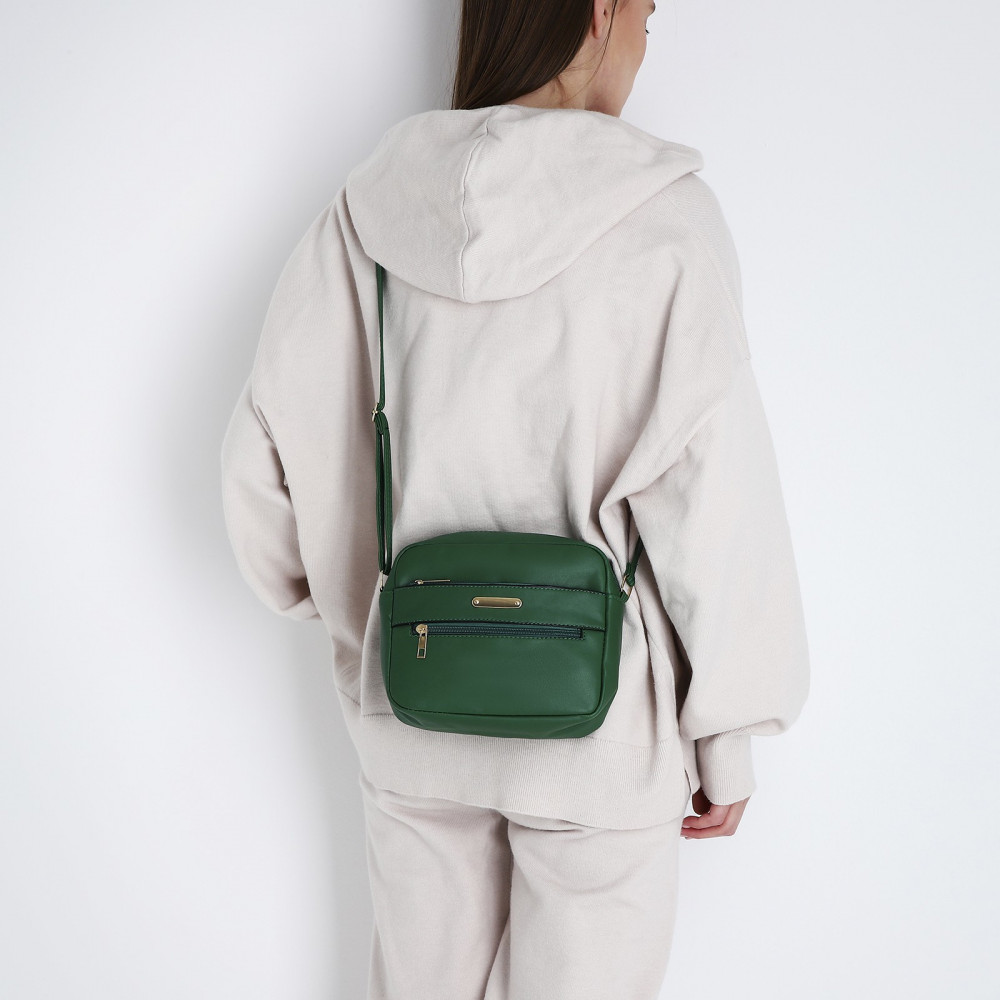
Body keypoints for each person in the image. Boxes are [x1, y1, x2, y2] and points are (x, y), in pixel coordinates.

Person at [220, 0, 811, 996]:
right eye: (648, 12)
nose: (646, 37)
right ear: (599, 12)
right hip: (599, 731)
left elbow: (261, 457)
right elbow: (715, 493)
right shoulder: (663, 219)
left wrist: (357, 622)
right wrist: (727, 736)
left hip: (413, 714)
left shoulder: (365, 215)